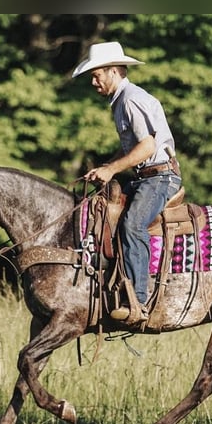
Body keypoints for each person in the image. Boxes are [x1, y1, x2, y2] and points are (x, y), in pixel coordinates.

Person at [72, 41, 182, 323]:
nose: (94, 82)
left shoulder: (131, 99)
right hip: (147, 176)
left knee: (132, 224)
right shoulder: (121, 101)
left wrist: (112, 171)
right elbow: (130, 148)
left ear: (113, 71)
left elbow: (146, 147)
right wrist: (106, 167)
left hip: (159, 177)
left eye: (97, 75)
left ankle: (139, 301)